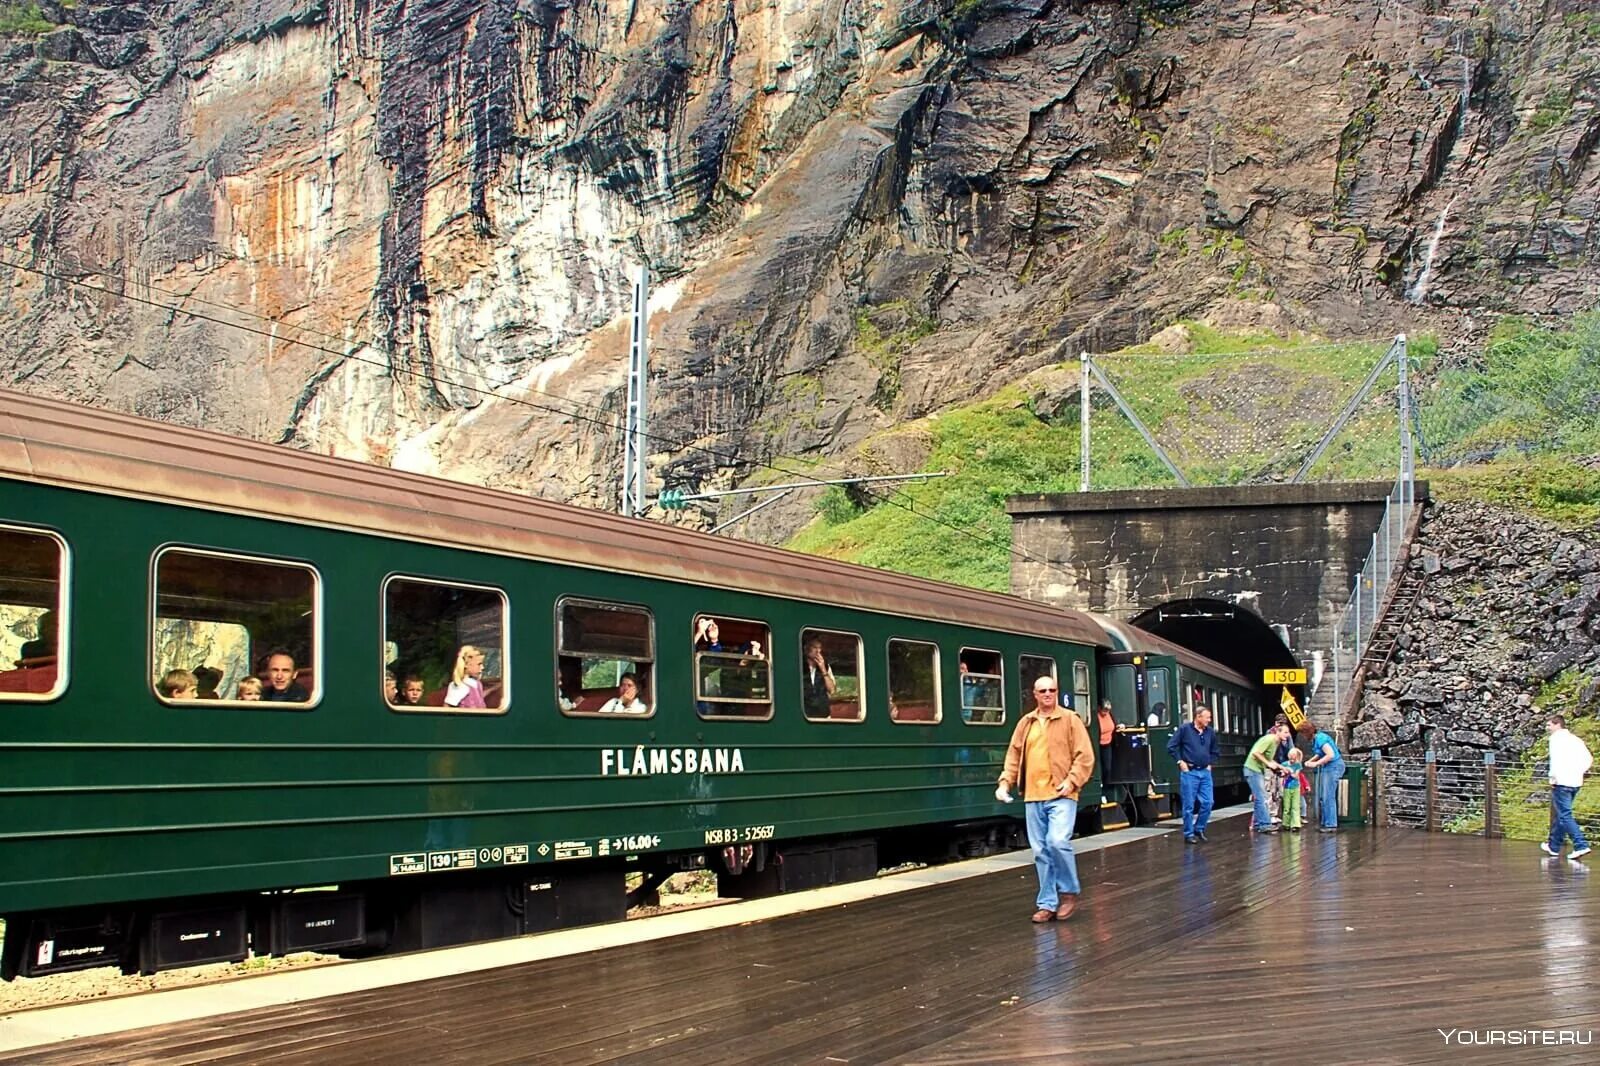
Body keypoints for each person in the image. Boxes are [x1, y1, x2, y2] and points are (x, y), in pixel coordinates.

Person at [995, 675, 1095, 923]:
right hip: (1033, 795)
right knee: (1040, 851)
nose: (1048, 693)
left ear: (1057, 692)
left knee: (1057, 841)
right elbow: (1014, 755)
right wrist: (1005, 783)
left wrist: (1071, 781)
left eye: (1052, 690)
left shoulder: (1070, 720)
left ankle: (1069, 892)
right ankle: (1047, 904)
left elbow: (1085, 756)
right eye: (1043, 690)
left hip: (1062, 794)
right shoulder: (1026, 723)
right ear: (1035, 695)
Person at [1542, 714, 1593, 860]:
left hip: (1562, 781)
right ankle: (1554, 845)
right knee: (1561, 813)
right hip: (1575, 781)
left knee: (1565, 815)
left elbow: (1556, 760)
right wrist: (1579, 772)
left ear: (1558, 724)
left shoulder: (1556, 739)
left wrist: (1553, 777)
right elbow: (1588, 758)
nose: (1547, 728)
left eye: (1549, 725)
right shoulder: (1575, 740)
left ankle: (1581, 845)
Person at [1168, 705, 1221, 844]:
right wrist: (1180, 761)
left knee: (1208, 802)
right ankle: (1188, 833)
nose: (1209, 720)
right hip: (1189, 772)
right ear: (1198, 717)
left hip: (1205, 771)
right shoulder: (1184, 730)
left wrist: (1211, 763)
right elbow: (1171, 746)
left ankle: (1199, 828)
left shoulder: (1210, 732)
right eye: (1207, 717)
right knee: (1189, 805)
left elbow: (1215, 750)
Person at [1298, 720, 1345, 832]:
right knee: (1324, 796)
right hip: (1328, 768)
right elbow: (1320, 753)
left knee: (1328, 796)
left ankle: (1331, 824)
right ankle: (1326, 822)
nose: (1302, 736)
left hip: (1333, 767)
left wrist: (1315, 763)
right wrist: (1310, 760)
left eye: (1302, 733)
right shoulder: (1317, 739)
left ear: (1307, 732)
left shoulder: (1320, 739)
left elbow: (1330, 755)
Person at [1244, 724, 1291, 834]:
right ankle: (1265, 824)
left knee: (1260, 797)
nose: (1288, 735)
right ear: (1278, 732)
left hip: (1257, 770)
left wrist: (1281, 767)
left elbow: (1268, 759)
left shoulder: (1275, 743)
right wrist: (1268, 763)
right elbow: (1256, 753)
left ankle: (1257, 823)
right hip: (1252, 769)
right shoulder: (1269, 739)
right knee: (1262, 797)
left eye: (1288, 732)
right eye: (1285, 732)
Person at [803, 637, 837, 719]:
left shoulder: (826, 667)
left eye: (820, 648)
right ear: (806, 649)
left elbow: (832, 690)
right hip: (805, 716)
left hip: (823, 716)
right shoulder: (799, 666)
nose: (818, 651)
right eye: (815, 647)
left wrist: (823, 669)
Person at [1267, 713, 1291, 826]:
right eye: (1279, 723)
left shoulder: (1287, 735)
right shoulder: (1270, 734)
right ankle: (1270, 814)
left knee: (1280, 791)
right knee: (1270, 790)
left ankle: (1275, 814)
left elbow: (1290, 749)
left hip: (1282, 764)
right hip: (1271, 765)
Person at [1280, 748, 1307, 832]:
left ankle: (1296, 824)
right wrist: (1284, 773)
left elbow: (1296, 776)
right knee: (1286, 807)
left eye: (1294, 758)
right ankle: (1286, 824)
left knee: (1295, 806)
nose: (1292, 759)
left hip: (1295, 787)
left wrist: (1290, 772)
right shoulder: (1284, 764)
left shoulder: (1298, 765)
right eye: (1291, 757)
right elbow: (1281, 775)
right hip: (1287, 787)